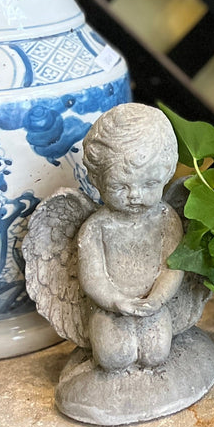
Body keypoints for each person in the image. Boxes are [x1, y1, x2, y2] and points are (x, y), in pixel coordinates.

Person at [76, 104, 184, 372]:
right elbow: (92, 278)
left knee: (156, 354)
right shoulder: (96, 228)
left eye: (149, 184)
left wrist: (157, 299)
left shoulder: (167, 219)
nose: (135, 195)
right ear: (98, 181)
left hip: (153, 305)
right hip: (110, 309)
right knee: (113, 358)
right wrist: (116, 302)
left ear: (166, 175)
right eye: (119, 186)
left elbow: (173, 267)